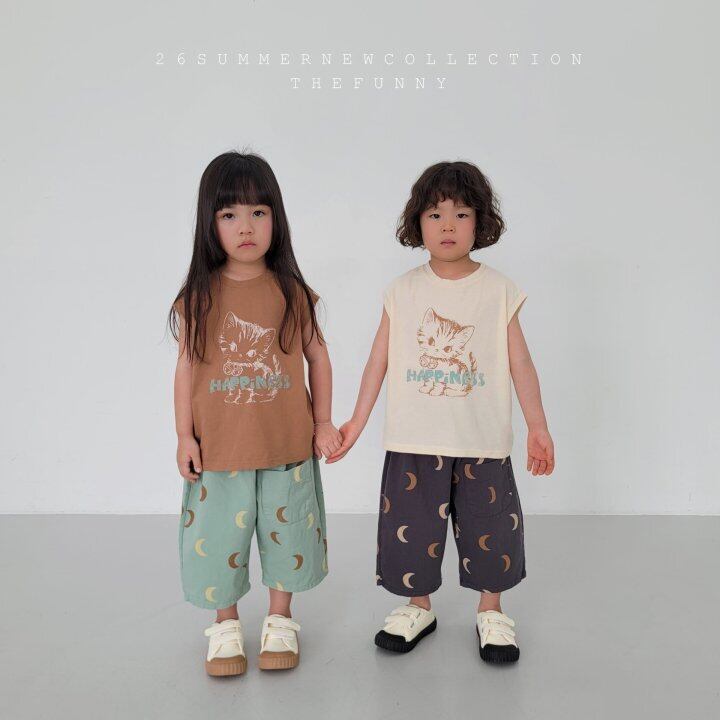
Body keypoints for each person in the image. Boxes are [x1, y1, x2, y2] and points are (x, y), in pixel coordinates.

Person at [327, 161, 555, 664]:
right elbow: (378, 360)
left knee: (491, 529)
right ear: (417, 222)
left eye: (461, 213)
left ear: (480, 222)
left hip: (481, 440)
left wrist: (537, 426)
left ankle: (491, 610)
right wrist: (356, 422)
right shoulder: (402, 290)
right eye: (434, 214)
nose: (447, 225)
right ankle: (418, 607)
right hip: (413, 439)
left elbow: (521, 363)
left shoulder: (499, 291)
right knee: (411, 529)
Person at [169, 151, 341, 676]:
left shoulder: (292, 292)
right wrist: (184, 436)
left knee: (288, 538)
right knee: (219, 539)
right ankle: (225, 625)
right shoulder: (198, 297)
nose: (246, 227)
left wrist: (323, 422)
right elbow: (185, 368)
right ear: (210, 223)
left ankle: (280, 619)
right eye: (230, 214)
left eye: (258, 212)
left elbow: (318, 357)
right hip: (219, 451)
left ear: (276, 218)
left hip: (286, 447)